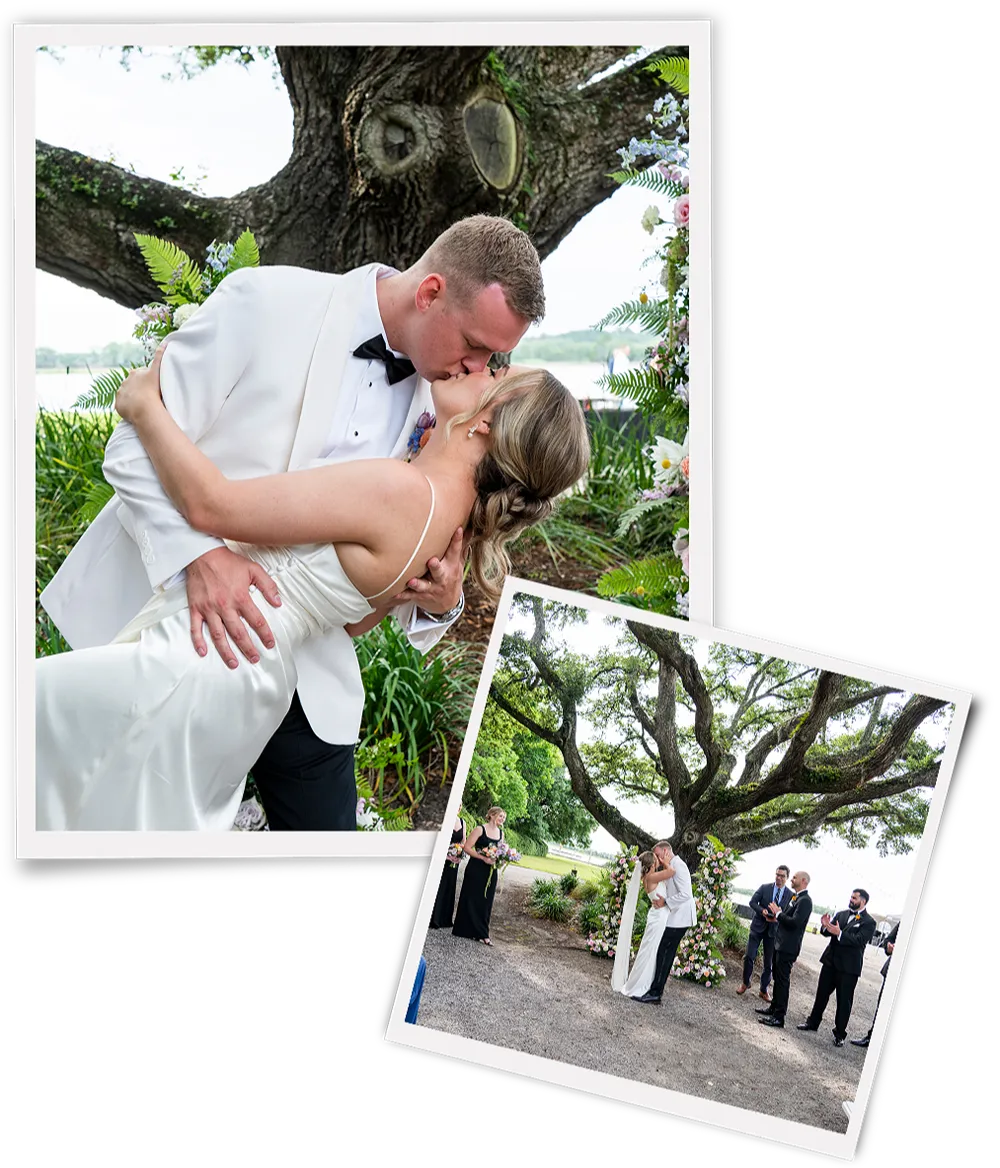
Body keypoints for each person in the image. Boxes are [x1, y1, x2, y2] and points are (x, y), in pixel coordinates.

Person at [39, 214, 545, 830]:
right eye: (473, 345)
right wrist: (199, 557)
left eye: (494, 357)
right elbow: (130, 448)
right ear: (432, 292)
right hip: (184, 632)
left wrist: (441, 602)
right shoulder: (266, 302)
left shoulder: (447, 410)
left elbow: (377, 582)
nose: (476, 367)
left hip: (310, 672)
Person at [797, 888, 877, 1047]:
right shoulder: (841, 914)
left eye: (855, 898)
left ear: (863, 901)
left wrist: (839, 933)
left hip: (849, 968)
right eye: (851, 897)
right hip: (830, 962)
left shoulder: (869, 922)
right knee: (821, 995)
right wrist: (826, 926)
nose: (851, 900)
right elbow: (827, 933)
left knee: (844, 1001)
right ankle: (812, 1022)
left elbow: (858, 940)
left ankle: (840, 1034)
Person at [630, 840, 697, 1005]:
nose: (658, 860)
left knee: (664, 953)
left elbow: (686, 894)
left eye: (659, 856)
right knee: (662, 952)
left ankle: (656, 993)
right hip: (672, 917)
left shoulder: (679, 866)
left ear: (666, 851)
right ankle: (654, 990)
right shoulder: (669, 866)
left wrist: (665, 902)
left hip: (680, 918)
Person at [612, 851, 677, 998]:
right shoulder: (652, 877)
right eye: (656, 859)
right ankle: (641, 985)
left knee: (649, 949)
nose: (659, 860)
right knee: (650, 950)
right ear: (652, 864)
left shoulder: (647, 878)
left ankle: (639, 982)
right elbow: (672, 872)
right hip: (659, 917)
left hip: (657, 915)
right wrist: (667, 863)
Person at [757, 870, 812, 1029]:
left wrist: (779, 913)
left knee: (782, 981)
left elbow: (795, 923)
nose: (791, 879)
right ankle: (773, 1008)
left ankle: (779, 1017)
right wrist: (775, 916)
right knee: (777, 978)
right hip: (780, 944)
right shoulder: (796, 898)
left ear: (803, 881)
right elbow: (785, 917)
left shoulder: (805, 901)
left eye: (794, 877)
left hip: (788, 947)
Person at [737, 864, 792, 1002]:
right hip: (757, 927)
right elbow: (752, 902)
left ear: (787, 878)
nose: (779, 878)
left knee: (769, 963)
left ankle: (763, 990)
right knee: (749, 955)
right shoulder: (764, 887)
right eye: (777, 875)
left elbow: (788, 914)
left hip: (774, 932)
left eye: (782, 876)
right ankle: (745, 982)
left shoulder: (790, 895)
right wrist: (762, 911)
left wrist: (778, 916)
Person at [452, 807, 507, 946]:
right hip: (476, 868)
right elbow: (467, 847)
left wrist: (502, 859)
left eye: (504, 817)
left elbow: (500, 851)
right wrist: (483, 858)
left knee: (486, 901)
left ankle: (483, 934)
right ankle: (464, 929)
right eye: (501, 816)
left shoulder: (501, 833)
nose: (502, 819)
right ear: (492, 815)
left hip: (491, 872)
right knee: (471, 897)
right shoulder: (480, 829)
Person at [851, 920, 899, 1047]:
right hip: (893, 971)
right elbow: (888, 939)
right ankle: (872, 1038)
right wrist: (889, 945)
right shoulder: (907, 921)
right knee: (882, 1007)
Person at [430, 815, 466, 929]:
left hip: (454, 860)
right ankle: (433, 918)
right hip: (442, 859)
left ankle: (444, 919)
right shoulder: (444, 819)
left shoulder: (462, 822)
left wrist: (459, 855)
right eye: (457, 804)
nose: (459, 807)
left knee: (449, 886)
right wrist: (446, 855)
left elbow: (463, 841)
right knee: (438, 885)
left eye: (460, 805)